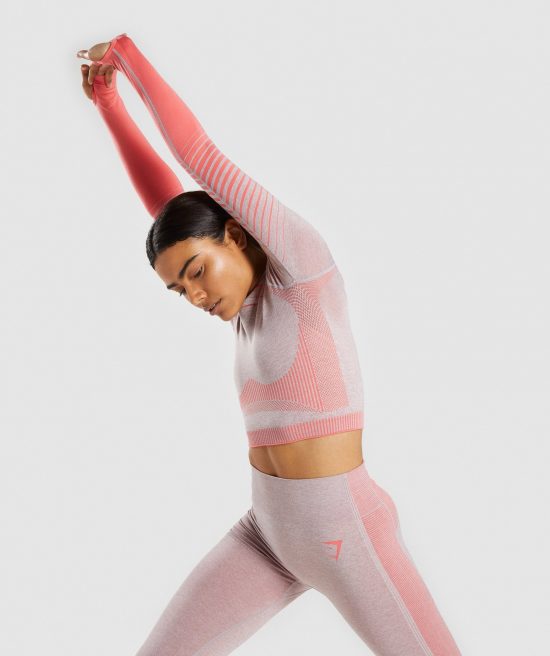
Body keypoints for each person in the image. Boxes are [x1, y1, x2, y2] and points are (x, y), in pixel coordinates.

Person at [76, 33, 462, 655]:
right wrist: (109, 106)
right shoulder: (242, 307)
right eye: (179, 290)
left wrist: (127, 55)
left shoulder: (301, 274)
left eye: (197, 273)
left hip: (346, 532)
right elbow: (172, 213)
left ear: (236, 234)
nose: (195, 296)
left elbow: (198, 157)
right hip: (266, 536)